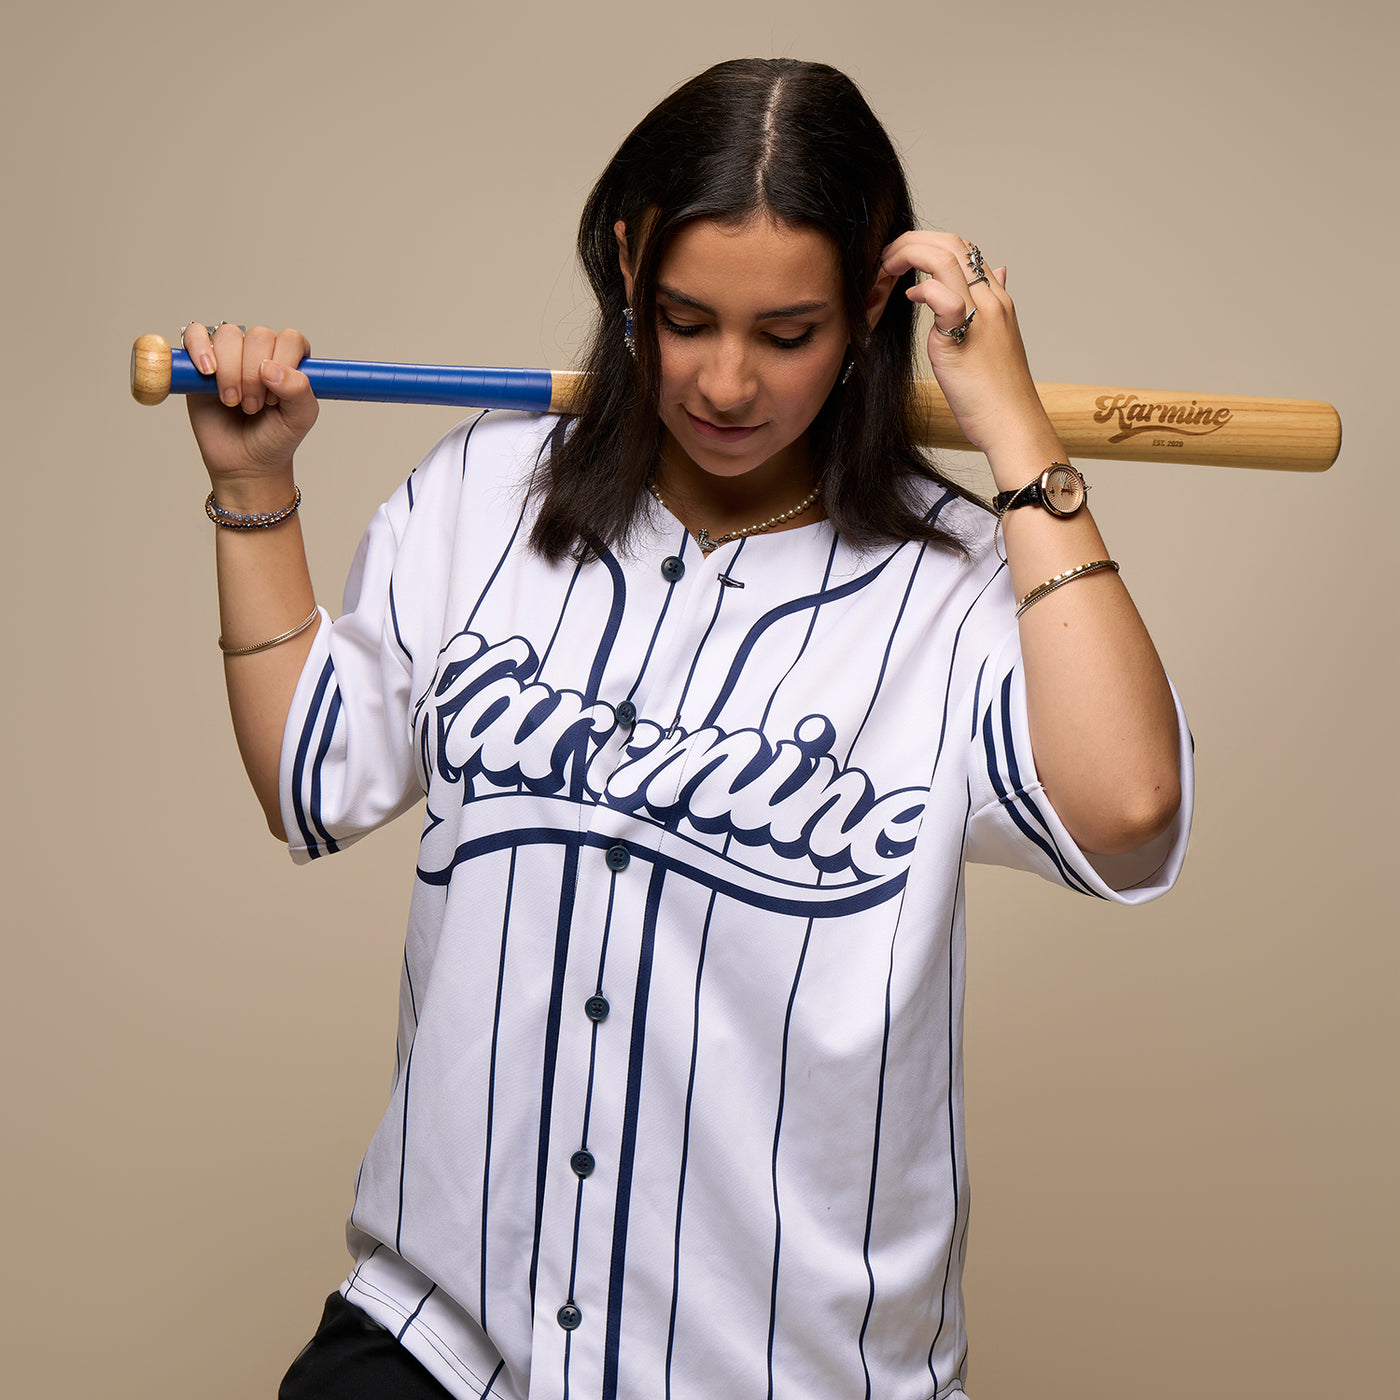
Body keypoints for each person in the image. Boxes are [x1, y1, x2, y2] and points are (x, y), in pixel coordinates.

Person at [183, 58, 1191, 1400]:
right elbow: (314, 776)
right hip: (445, 1344)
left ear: (868, 319)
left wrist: (1014, 429)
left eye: (787, 334)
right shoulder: (483, 495)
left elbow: (1128, 813)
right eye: (684, 319)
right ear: (624, 267)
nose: (726, 381)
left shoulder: (953, 592)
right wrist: (256, 489)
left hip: (788, 1371)